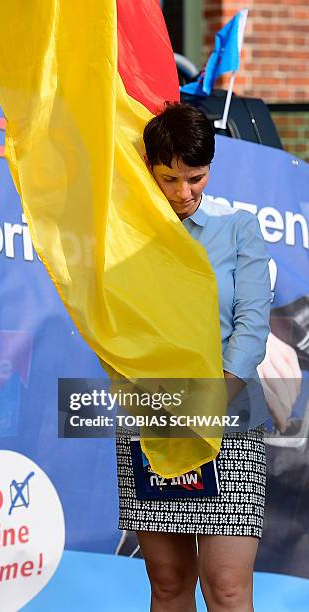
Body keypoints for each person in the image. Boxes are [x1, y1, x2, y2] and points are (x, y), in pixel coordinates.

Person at [116, 102, 272, 612]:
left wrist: (209, 402)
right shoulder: (125, 236)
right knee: (166, 582)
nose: (185, 193)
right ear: (148, 171)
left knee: (227, 588)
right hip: (153, 418)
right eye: (170, 179)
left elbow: (251, 326)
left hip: (228, 419)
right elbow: (116, 326)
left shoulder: (238, 228)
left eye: (196, 178)